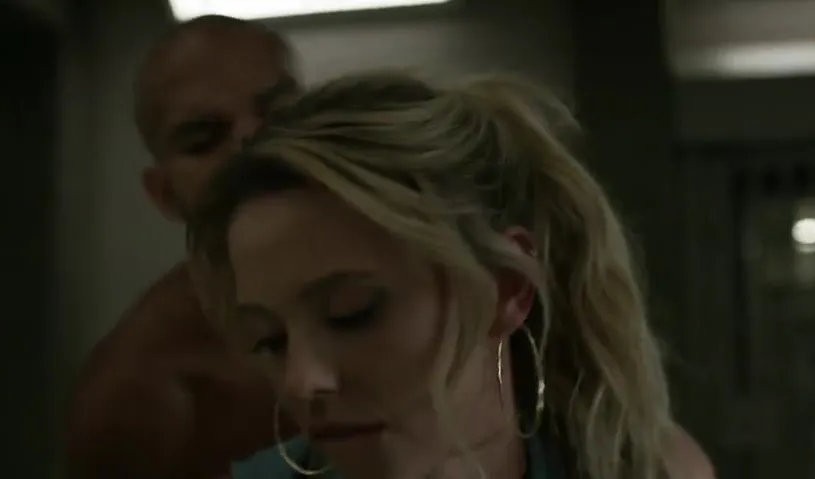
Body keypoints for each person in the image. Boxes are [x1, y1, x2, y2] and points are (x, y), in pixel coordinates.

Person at [185, 70, 716, 479]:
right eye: (270, 340)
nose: (302, 381)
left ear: (505, 287)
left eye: (353, 314)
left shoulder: (647, 470)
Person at [64, 15, 298, 479]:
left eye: (279, 112)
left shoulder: (407, 278)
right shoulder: (140, 388)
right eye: (204, 138)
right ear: (165, 194)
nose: (254, 143)